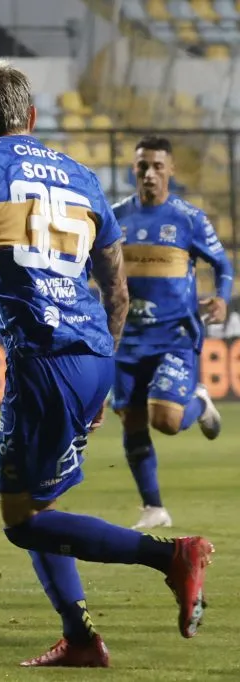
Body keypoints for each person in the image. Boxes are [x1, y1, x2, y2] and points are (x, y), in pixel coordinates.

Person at [0, 59, 212, 668]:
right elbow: (118, 291)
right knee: (37, 505)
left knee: (22, 519)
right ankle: (79, 638)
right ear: (30, 116)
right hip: (92, 357)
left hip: (43, 361)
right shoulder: (82, 176)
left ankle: (172, 556)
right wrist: (99, 370)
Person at [111, 135, 230, 530]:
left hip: (174, 335)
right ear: (134, 168)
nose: (149, 173)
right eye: (142, 165)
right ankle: (154, 508)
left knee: (166, 420)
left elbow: (222, 263)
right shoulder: (116, 217)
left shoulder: (188, 218)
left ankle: (198, 402)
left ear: (170, 170)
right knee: (131, 419)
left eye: (157, 166)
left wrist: (222, 297)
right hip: (127, 338)